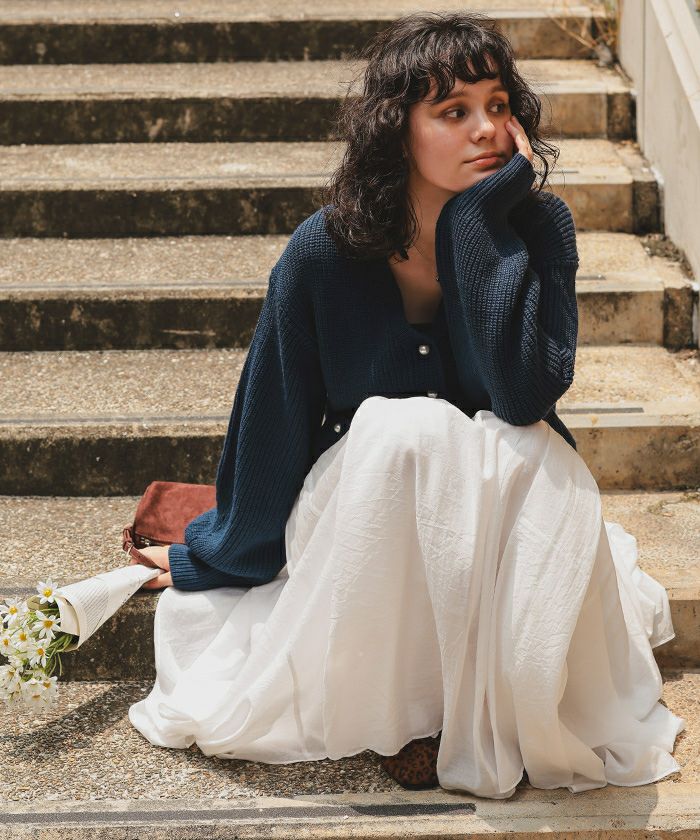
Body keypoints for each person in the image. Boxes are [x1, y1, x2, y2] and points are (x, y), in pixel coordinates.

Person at [127, 12, 685, 798]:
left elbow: (524, 396)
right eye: (453, 111)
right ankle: (412, 711)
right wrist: (218, 557)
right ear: (398, 128)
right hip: (379, 501)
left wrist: (478, 225)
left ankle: (487, 703)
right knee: (406, 430)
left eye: (498, 105)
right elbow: (276, 416)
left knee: (523, 447)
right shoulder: (324, 251)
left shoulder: (538, 229)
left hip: (501, 498)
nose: (486, 129)